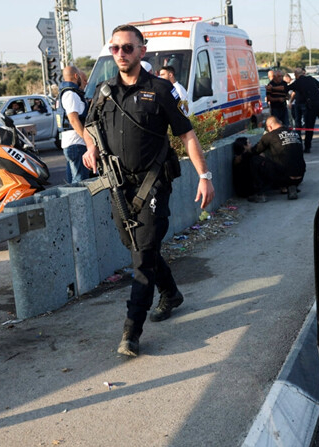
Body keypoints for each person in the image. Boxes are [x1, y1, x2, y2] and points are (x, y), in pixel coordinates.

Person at [82, 24, 215, 357]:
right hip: (117, 185)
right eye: (115, 49)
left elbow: (187, 135)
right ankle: (171, 292)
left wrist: (205, 174)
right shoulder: (104, 90)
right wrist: (90, 148)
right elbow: (89, 126)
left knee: (142, 258)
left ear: (143, 49)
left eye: (128, 48)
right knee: (137, 247)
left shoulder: (160, 90)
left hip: (153, 182)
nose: (121, 54)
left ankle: (131, 330)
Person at [250, 116, 305, 199]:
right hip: (300, 176)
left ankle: (260, 194)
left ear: (269, 127)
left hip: (283, 177)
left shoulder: (270, 135)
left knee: (255, 160)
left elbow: (254, 151)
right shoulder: (295, 133)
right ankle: (288, 187)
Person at [58, 66, 90, 183]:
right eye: (84, 79)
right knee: (80, 183)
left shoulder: (68, 93)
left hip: (72, 144)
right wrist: (87, 140)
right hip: (76, 144)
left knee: (73, 183)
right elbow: (73, 120)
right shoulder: (71, 94)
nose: (86, 82)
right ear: (76, 76)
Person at [289, 68, 319, 153]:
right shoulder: (311, 79)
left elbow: (289, 89)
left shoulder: (298, 81)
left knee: (309, 127)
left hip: (311, 106)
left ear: (296, 75)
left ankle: (307, 147)